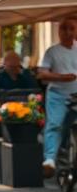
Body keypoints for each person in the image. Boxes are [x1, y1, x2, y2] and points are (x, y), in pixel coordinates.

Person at [37, 17, 77, 177]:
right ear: (58, 31)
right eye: (64, 29)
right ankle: (49, 160)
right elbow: (41, 74)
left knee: (66, 127)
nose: (67, 32)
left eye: (71, 29)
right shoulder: (52, 51)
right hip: (58, 94)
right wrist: (60, 77)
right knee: (55, 124)